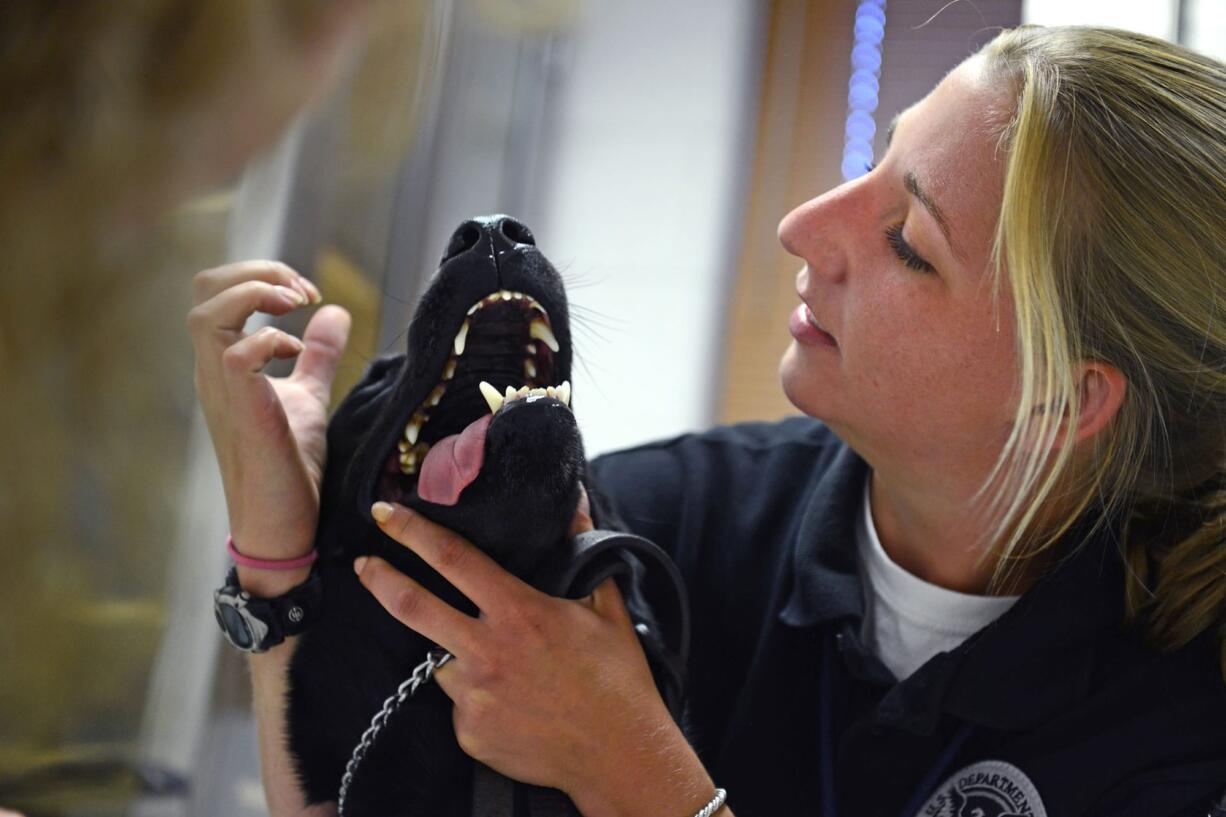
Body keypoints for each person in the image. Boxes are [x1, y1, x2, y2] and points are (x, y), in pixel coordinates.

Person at [190, 25, 1226, 817]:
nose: (801, 228)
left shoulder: (1185, 719)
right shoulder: (657, 526)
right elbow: (356, 788)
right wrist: (276, 563)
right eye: (870, 160)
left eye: (906, 239)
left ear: (1063, 399)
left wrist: (648, 781)